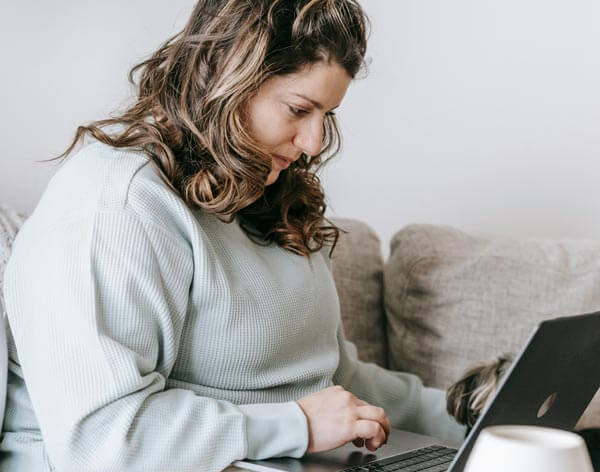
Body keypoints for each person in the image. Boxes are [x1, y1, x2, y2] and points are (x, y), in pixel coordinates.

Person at [1, 1, 465, 470]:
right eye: (299, 109)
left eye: (328, 114)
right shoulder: (117, 202)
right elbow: (101, 441)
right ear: (227, 79)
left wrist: (473, 416)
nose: (314, 143)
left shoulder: (273, 196)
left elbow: (330, 381)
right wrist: (297, 426)